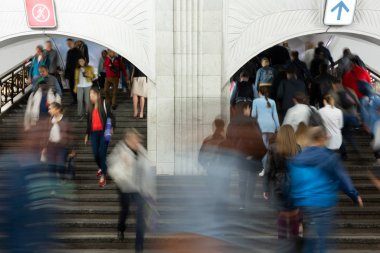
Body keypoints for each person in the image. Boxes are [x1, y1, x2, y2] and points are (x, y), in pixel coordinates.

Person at [289, 126, 363, 253]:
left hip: (303, 201)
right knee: (323, 238)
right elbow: (341, 178)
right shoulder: (328, 157)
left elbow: (290, 181)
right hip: (323, 200)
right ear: (321, 139)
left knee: (313, 235)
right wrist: (354, 195)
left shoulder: (297, 158)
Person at [108, 128, 156, 253]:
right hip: (123, 186)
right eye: (134, 140)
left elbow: (148, 170)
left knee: (141, 215)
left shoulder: (142, 151)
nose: (137, 143)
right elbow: (112, 168)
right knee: (125, 209)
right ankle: (121, 228)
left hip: (137, 188)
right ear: (128, 140)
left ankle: (139, 247)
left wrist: (150, 191)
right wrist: (123, 167)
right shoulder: (120, 150)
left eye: (138, 140)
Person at [226, 102, 267, 209]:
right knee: (252, 179)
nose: (250, 110)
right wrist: (261, 151)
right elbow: (258, 137)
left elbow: (229, 139)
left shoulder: (232, 123)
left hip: (239, 155)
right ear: (245, 109)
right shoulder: (252, 122)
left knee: (242, 179)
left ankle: (242, 203)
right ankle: (249, 201)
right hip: (252, 154)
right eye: (249, 108)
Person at [263, 125, 300, 242]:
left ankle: (282, 244)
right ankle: (294, 244)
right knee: (294, 215)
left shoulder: (273, 148)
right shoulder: (297, 148)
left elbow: (268, 170)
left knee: (281, 216)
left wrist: (266, 189)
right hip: (295, 184)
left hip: (278, 185)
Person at [85, 87, 115, 187]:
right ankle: (102, 167)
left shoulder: (104, 103)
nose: (91, 97)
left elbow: (111, 116)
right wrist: (87, 134)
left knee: (102, 153)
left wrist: (112, 127)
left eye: (93, 94)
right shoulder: (90, 107)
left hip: (104, 132)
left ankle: (103, 175)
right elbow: (89, 121)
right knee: (95, 154)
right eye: (90, 95)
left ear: (98, 95)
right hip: (94, 133)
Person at [252, 86, 280, 176]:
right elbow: (275, 115)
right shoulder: (272, 102)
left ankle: (265, 169)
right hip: (271, 126)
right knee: (270, 148)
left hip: (261, 127)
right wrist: (278, 128)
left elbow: (253, 114)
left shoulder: (256, 101)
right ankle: (272, 168)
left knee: (264, 149)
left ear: (259, 92)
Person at [43, 102, 72, 181]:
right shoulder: (49, 121)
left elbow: (69, 135)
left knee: (60, 166)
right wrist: (44, 147)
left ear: (57, 110)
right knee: (50, 167)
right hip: (51, 146)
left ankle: (63, 178)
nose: (49, 111)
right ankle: (53, 186)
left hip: (62, 146)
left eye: (50, 109)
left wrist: (71, 149)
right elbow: (46, 135)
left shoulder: (65, 120)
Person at [65, 38, 83, 104]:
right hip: (70, 73)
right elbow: (67, 63)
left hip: (77, 73)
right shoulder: (68, 52)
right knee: (72, 87)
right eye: (67, 43)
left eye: (69, 43)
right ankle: (75, 100)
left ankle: (80, 100)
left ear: (73, 43)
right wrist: (66, 72)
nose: (68, 44)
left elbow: (82, 61)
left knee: (78, 87)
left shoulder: (78, 51)